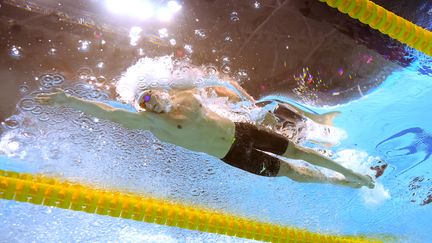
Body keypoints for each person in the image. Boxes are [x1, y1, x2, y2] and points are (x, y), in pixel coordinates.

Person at [36, 88, 375, 189]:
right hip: (231, 153)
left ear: (158, 91)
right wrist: (68, 101)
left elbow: (213, 84)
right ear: (143, 109)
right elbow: (108, 113)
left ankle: (350, 172)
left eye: (151, 96)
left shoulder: (184, 96)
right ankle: (339, 182)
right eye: (145, 104)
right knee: (291, 172)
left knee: (299, 150)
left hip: (243, 130)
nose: (152, 104)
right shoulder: (152, 124)